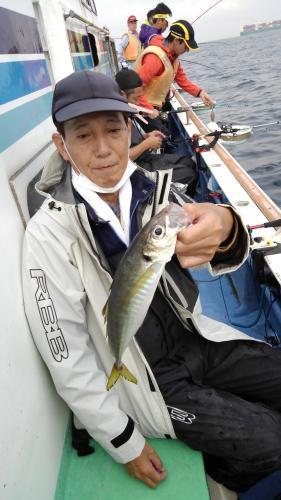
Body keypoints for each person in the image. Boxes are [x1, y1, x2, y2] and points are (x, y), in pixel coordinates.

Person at [22, 70, 281, 494]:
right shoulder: (49, 235)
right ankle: (224, 471)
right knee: (270, 440)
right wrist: (123, 440)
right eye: (83, 135)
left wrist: (228, 226)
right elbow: (64, 354)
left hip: (199, 342)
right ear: (61, 146)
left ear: (130, 128)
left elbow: (222, 251)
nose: (104, 149)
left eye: (112, 129)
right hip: (150, 383)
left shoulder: (156, 190)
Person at [115, 67, 198, 195]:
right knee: (188, 174)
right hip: (138, 170)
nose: (138, 102)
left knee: (187, 162)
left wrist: (147, 136)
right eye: (135, 98)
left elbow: (131, 141)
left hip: (145, 159)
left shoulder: (127, 112)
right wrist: (147, 144)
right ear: (122, 94)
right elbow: (123, 159)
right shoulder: (114, 120)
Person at [134, 19, 214, 111]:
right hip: (140, 106)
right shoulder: (155, 58)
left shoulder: (174, 58)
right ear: (176, 40)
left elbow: (182, 80)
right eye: (186, 46)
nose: (187, 50)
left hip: (156, 105)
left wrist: (201, 93)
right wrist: (149, 109)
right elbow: (135, 87)